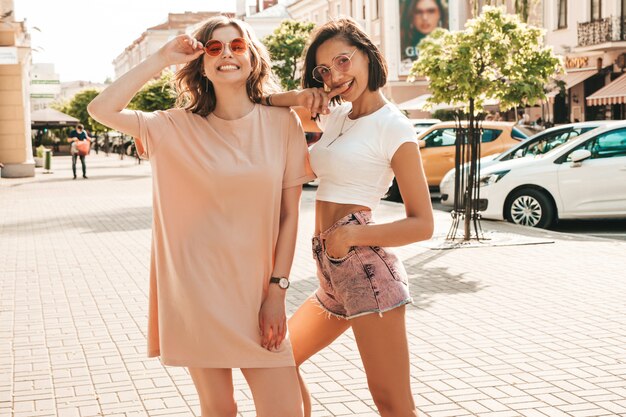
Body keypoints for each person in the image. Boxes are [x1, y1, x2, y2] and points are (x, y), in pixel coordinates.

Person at [87, 16, 314, 417]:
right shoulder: (172, 127)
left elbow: (289, 216)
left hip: (260, 295)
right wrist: (161, 57)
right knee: (219, 409)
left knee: (286, 409)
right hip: (196, 295)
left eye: (237, 45)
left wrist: (277, 291)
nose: (227, 53)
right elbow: (100, 108)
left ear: (252, 58)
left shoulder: (282, 122)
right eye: (214, 48)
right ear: (203, 64)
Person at [268, 18, 434, 417]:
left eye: (343, 61)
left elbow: (423, 223)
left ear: (367, 55)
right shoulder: (339, 116)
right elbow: (263, 104)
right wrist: (304, 94)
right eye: (324, 69)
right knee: (277, 362)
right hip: (331, 273)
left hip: (366, 273)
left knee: (392, 404)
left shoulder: (394, 126)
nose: (336, 75)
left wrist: (349, 239)